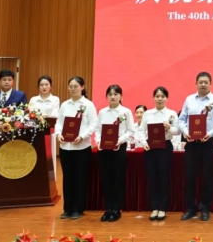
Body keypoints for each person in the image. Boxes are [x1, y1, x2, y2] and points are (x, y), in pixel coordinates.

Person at [178, 71, 213, 222]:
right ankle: (190, 208)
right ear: (196, 84)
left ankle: (205, 208)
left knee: (207, 177)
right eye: (200, 82)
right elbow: (181, 120)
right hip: (191, 143)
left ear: (210, 84)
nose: (203, 84)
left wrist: (209, 134)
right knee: (190, 177)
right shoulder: (189, 100)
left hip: (208, 143)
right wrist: (186, 133)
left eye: (206, 82)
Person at [54, 77, 98, 220]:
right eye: (71, 86)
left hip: (81, 147)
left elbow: (93, 124)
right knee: (68, 178)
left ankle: (78, 208)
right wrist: (58, 134)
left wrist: (83, 136)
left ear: (82, 87)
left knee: (80, 177)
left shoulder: (88, 105)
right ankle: (67, 208)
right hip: (65, 147)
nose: (73, 89)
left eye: (76, 86)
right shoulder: (65, 104)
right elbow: (59, 122)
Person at [95, 84, 135, 222]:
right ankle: (108, 209)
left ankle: (116, 209)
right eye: (110, 94)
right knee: (106, 179)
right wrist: (99, 141)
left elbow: (130, 131)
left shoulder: (126, 112)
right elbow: (98, 130)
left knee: (118, 179)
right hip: (104, 150)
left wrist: (119, 140)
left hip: (119, 149)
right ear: (107, 96)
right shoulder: (102, 112)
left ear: (121, 96)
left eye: (116, 94)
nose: (113, 97)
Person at [140, 86, 179, 221]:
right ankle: (154, 207)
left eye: (162, 96)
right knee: (152, 177)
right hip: (150, 147)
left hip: (165, 147)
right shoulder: (147, 114)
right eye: (157, 96)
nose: (160, 99)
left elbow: (177, 131)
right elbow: (141, 131)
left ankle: (162, 207)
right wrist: (143, 142)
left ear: (167, 98)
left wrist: (170, 128)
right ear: (153, 98)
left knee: (163, 177)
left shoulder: (172, 114)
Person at [29, 75, 61, 177]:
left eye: (46, 84)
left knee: (49, 157)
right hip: (35, 132)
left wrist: (40, 116)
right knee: (36, 155)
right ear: (38, 87)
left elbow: (55, 115)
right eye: (41, 85)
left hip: (49, 131)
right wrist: (41, 116)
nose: (44, 87)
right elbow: (30, 114)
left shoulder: (55, 99)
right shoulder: (33, 100)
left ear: (51, 86)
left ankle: (51, 178)